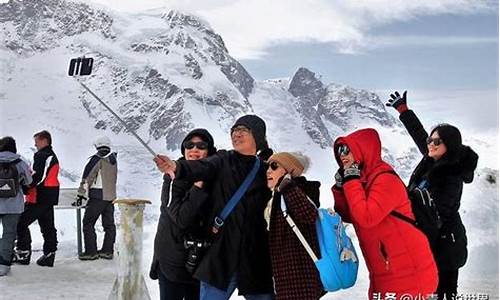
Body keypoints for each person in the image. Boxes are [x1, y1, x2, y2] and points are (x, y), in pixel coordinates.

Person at [154, 115, 274, 300]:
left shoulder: (266, 171)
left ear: (257, 135)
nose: (237, 134)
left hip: (255, 257)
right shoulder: (223, 159)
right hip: (221, 255)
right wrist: (177, 167)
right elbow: (202, 167)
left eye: (243, 130)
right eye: (234, 130)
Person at [386, 91, 478, 300]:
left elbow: (440, 213)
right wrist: (404, 111)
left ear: (449, 146)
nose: (430, 144)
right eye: (430, 140)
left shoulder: (451, 173)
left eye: (436, 142)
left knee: (442, 294)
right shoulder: (432, 160)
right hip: (426, 241)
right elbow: (420, 135)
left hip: (445, 246)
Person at [331, 128, 438, 299]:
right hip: (385, 270)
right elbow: (349, 215)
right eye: (339, 151)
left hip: (408, 271)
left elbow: (366, 217)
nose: (342, 155)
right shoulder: (362, 180)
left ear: (362, 150)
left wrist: (351, 181)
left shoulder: (385, 179)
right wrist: (340, 187)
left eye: (347, 149)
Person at [150, 128, 217, 300]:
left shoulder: (215, 176)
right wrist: (198, 186)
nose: (194, 149)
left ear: (209, 151)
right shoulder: (172, 177)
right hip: (171, 262)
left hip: (200, 263)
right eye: (189, 145)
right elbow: (181, 219)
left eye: (201, 146)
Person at [265, 152, 324, 300]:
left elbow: (309, 215)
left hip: (300, 277)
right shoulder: (277, 195)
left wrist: (288, 186)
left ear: (289, 169)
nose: (268, 171)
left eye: (274, 166)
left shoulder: (300, 189)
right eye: (267, 166)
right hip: (285, 277)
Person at [13, 130, 60, 267]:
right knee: (48, 226)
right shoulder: (51, 155)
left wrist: (26, 187)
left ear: (44, 140)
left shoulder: (42, 155)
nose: (35, 144)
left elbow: (38, 176)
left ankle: (23, 253)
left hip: (39, 196)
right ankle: (49, 254)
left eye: (37, 141)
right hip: (49, 196)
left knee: (20, 222)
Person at [77, 136, 118, 260]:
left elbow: (87, 178)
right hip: (110, 197)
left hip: (97, 196)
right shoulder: (113, 160)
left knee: (88, 223)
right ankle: (107, 250)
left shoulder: (97, 159)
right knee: (109, 225)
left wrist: (81, 194)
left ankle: (91, 252)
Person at [0, 136, 32, 276]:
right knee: (9, 234)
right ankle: (3, 265)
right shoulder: (20, 162)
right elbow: (29, 181)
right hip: (14, 205)